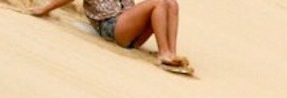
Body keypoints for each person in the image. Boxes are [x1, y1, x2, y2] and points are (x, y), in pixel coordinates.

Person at [30, 0, 188, 69]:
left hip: (131, 30)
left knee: (170, 3)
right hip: (112, 27)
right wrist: (45, 10)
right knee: (158, 3)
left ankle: (171, 52)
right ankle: (163, 53)